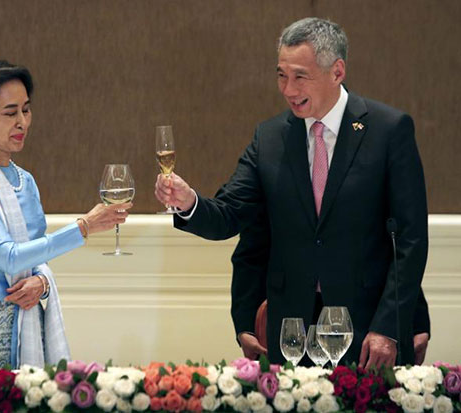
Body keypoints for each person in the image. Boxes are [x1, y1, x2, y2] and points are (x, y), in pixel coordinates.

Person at [155, 18, 428, 368]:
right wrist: (188, 201)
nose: (287, 88)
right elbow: (228, 215)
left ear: (337, 71)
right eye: (281, 75)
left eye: (300, 76)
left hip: (368, 331)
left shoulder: (388, 131)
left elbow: (410, 240)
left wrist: (389, 328)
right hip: (290, 332)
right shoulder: (269, 138)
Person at [0, 60, 131, 369]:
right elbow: (8, 257)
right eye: (10, 113)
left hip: (25, 320)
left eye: (26, 110)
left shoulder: (25, 180)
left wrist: (42, 282)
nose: (22, 122)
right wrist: (84, 227)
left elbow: (35, 258)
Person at [230, 222, 431, 364]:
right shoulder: (274, 162)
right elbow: (251, 250)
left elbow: (394, 243)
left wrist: (416, 316)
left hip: (366, 321)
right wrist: (246, 326)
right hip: (292, 325)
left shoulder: (370, 161)